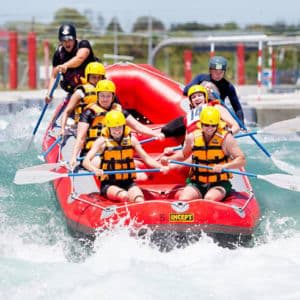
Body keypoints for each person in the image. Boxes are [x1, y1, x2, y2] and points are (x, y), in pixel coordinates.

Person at [161, 106, 246, 202]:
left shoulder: (226, 138)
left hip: (219, 183)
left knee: (209, 198)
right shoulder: (192, 137)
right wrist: (169, 159)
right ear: (201, 124)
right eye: (206, 125)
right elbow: (184, 155)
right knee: (184, 199)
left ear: (217, 124)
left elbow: (241, 160)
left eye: (213, 125)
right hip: (197, 182)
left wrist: (225, 166)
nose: (210, 128)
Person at [70, 79, 161, 169]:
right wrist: (74, 156)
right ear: (97, 95)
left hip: (114, 151)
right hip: (93, 153)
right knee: (106, 163)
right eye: (102, 96)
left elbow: (137, 126)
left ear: (113, 96)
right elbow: (81, 138)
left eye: (108, 96)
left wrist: (155, 134)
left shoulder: (119, 110)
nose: (105, 99)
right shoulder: (89, 113)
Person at [83, 110, 166, 203]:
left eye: (119, 127)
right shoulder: (101, 142)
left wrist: (161, 167)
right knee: (124, 196)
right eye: (114, 128)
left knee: (139, 199)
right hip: (109, 183)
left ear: (123, 126)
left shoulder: (132, 140)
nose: (117, 130)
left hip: (128, 182)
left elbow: (147, 159)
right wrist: (94, 170)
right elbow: (85, 161)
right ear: (108, 128)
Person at [160, 84, 240, 141]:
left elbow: (236, 126)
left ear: (205, 98)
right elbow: (188, 140)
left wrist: (225, 137)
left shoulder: (216, 108)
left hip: (220, 147)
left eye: (199, 95)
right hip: (199, 153)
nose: (197, 98)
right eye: (194, 97)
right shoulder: (188, 117)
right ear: (191, 102)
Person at [45, 23, 97, 104]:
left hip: (93, 88)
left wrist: (65, 65)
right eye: (64, 40)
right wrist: (49, 93)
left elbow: (80, 58)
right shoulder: (58, 54)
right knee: (62, 113)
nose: (67, 43)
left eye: (70, 39)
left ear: (74, 38)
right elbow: (54, 76)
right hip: (75, 92)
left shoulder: (83, 44)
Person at [183, 56, 245, 124]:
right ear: (210, 70)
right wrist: (202, 89)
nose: (218, 74)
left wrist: (241, 123)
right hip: (199, 112)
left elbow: (237, 107)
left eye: (221, 72)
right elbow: (185, 91)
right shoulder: (201, 78)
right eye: (215, 71)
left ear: (224, 72)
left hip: (217, 113)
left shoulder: (228, 86)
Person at [60, 61, 106, 136]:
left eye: (99, 77)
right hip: (80, 126)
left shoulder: (107, 93)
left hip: (98, 125)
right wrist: (62, 129)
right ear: (88, 77)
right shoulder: (80, 92)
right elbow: (67, 111)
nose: (96, 80)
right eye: (94, 77)